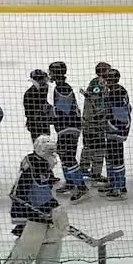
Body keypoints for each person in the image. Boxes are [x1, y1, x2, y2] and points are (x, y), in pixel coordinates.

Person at [0, 135, 66, 264]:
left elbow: (44, 189)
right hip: (28, 211)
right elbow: (16, 193)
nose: (53, 156)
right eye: (50, 152)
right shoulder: (31, 166)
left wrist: (52, 207)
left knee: (54, 234)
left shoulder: (43, 165)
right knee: (30, 241)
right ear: (41, 150)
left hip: (44, 208)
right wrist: (31, 212)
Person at [48, 62, 88, 203]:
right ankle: (71, 182)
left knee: (68, 156)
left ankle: (81, 187)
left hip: (69, 128)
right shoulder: (61, 87)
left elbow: (63, 110)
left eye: (52, 72)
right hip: (67, 128)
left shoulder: (62, 88)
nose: (50, 75)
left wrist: (48, 112)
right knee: (64, 155)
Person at [101, 68, 132, 198]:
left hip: (116, 130)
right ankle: (114, 182)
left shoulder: (116, 93)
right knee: (111, 156)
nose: (105, 81)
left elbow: (121, 115)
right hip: (113, 129)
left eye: (107, 79)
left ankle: (119, 187)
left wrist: (109, 124)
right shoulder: (115, 91)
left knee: (116, 157)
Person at [82, 62, 111, 187]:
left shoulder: (99, 83)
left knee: (89, 146)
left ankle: (84, 169)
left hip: (92, 122)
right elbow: (97, 104)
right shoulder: (97, 84)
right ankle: (94, 173)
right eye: (108, 71)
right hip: (94, 123)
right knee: (98, 147)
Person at [24, 69, 53, 143]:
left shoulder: (43, 89)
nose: (46, 82)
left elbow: (43, 103)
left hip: (43, 124)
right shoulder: (30, 93)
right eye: (44, 79)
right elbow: (29, 113)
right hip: (36, 125)